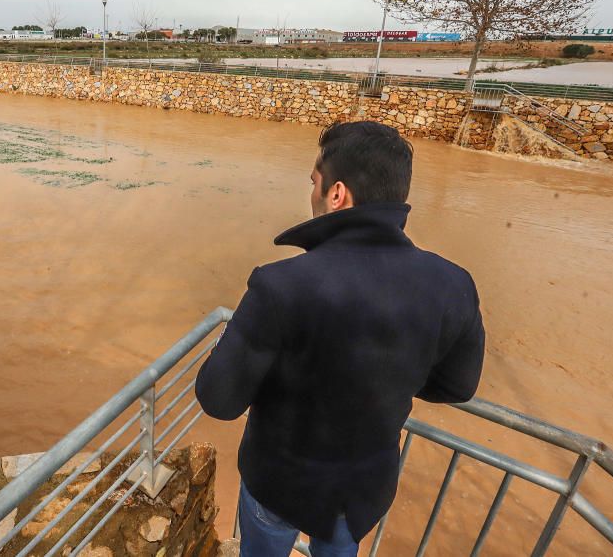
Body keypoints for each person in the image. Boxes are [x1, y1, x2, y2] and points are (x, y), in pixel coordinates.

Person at [196, 121, 485, 557]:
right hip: (363, 490)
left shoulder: (281, 286)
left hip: (279, 482)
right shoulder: (454, 284)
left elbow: (218, 399)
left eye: (314, 181)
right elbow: (457, 386)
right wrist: (393, 371)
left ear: (336, 194)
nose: (311, 193)